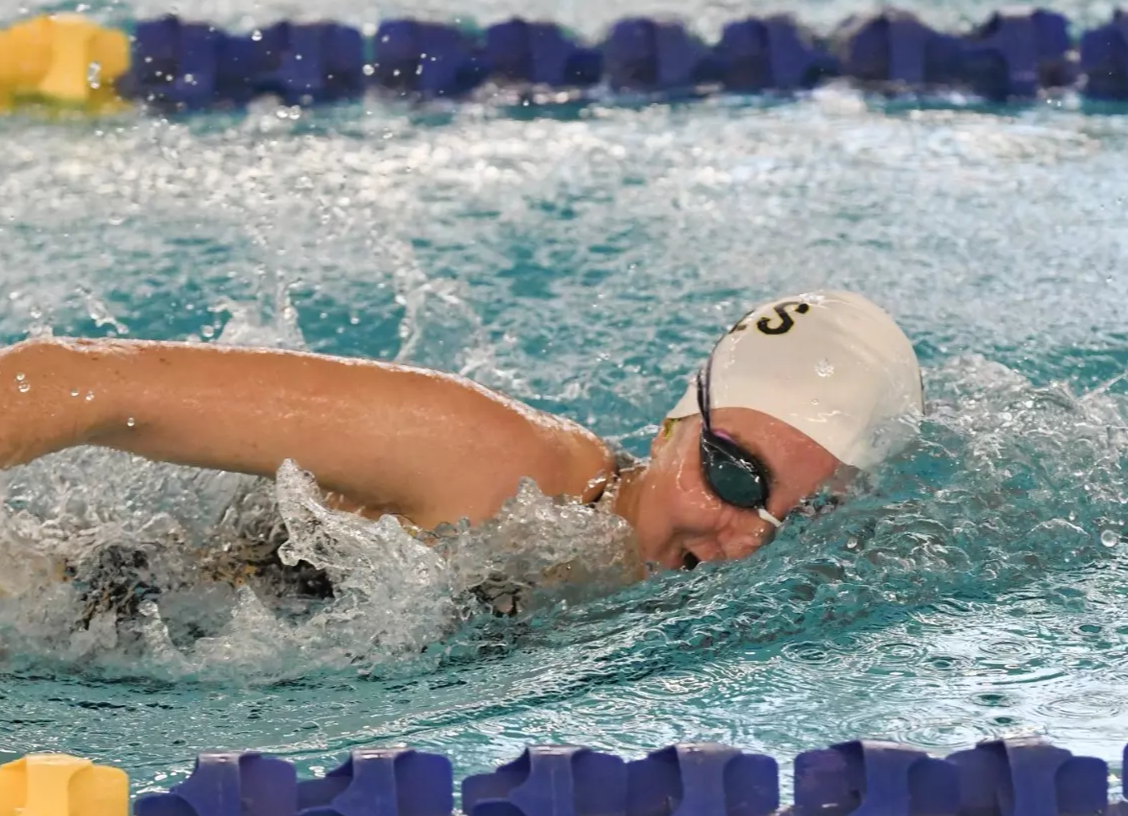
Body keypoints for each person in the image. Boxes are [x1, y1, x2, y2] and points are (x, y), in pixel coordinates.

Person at [0, 290, 924, 605]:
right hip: (87, 607)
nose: (745, 541)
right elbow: (74, 380)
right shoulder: (482, 457)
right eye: (735, 475)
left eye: (795, 518)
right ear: (675, 423)